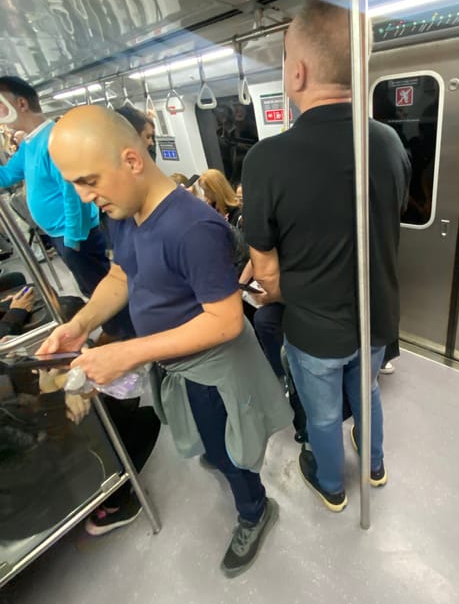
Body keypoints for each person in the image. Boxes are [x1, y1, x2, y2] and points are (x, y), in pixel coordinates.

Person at [39, 105, 291, 577]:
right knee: (212, 448)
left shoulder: (193, 228)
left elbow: (225, 321)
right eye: (75, 182)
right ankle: (224, 463)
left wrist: (127, 353)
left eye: (88, 180)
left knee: (232, 453)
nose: (84, 196)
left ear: (132, 160)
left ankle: (255, 510)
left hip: (212, 370)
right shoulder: (124, 213)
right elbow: (121, 274)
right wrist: (81, 325)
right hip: (175, 364)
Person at [242, 0, 411, 512]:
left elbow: (267, 275)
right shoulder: (388, 142)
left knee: (321, 415)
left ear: (297, 72)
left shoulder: (265, 159)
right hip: (377, 315)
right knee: (370, 396)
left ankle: (332, 486)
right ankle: (375, 465)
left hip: (316, 328)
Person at [0, 76, 128, 338]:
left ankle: (125, 333)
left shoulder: (54, 140)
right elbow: (5, 177)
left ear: (21, 103)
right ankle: (119, 330)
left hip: (75, 234)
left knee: (102, 289)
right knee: (93, 286)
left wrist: (73, 238)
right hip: (60, 234)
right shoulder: (30, 144)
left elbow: (73, 194)